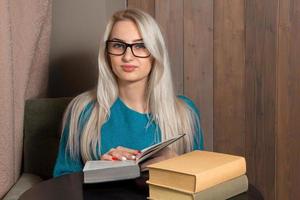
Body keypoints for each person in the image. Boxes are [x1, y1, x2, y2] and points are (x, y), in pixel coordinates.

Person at [53, 8, 204, 177]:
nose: (127, 57)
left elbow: (202, 183)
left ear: (155, 53)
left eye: (140, 46)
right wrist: (99, 172)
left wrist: (175, 162)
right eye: (118, 45)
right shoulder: (82, 110)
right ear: (106, 54)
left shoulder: (185, 112)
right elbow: (63, 181)